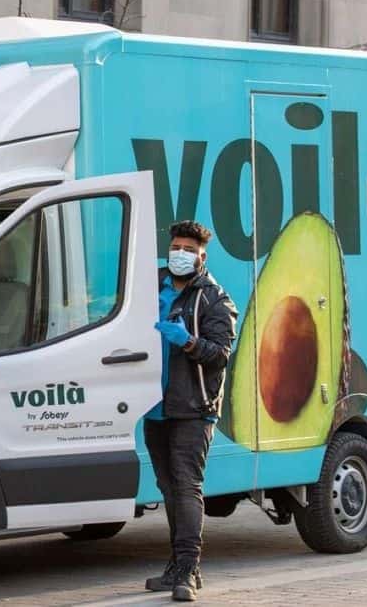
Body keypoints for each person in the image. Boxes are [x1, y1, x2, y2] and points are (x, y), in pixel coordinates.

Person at [144, 220, 237, 602]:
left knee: (186, 486)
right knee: (168, 487)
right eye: (176, 247)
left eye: (188, 250)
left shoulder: (214, 298)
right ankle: (175, 565)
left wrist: (188, 342)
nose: (180, 254)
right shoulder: (153, 287)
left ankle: (189, 570)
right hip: (155, 408)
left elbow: (220, 354)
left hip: (194, 407)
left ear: (202, 256)